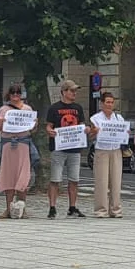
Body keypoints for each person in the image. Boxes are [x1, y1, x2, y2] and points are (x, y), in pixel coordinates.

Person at [42, 80, 88, 219]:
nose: (74, 93)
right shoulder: (54, 108)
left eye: (75, 91)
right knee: (55, 179)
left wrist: (86, 129)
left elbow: (81, 124)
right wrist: (49, 131)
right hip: (59, 147)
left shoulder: (78, 108)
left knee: (74, 179)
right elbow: (49, 125)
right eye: (72, 91)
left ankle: (72, 207)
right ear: (64, 92)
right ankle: (52, 207)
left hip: (74, 148)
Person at [0, 84, 38, 218]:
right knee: (8, 176)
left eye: (18, 92)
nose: (15, 95)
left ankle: (22, 209)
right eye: (13, 92)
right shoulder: (3, 110)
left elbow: (33, 130)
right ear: (9, 94)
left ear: (21, 94)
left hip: (23, 145)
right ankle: (8, 208)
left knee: (23, 176)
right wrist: (0, 123)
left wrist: (35, 124)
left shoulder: (27, 109)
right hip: (8, 145)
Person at [90, 91, 128, 218]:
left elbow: (124, 134)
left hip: (115, 150)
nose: (109, 105)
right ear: (102, 103)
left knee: (116, 181)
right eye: (107, 102)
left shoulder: (119, 118)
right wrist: (94, 132)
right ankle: (101, 210)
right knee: (101, 181)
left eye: (111, 102)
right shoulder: (95, 118)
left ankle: (115, 209)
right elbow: (90, 137)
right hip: (102, 150)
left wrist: (125, 133)